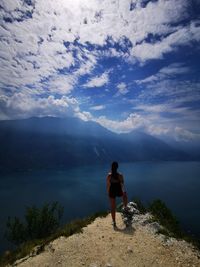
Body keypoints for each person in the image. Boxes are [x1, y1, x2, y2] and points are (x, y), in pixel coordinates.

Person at [106, 161, 128, 227]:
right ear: (117, 167)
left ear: (111, 167)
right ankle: (125, 207)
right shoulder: (120, 175)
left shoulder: (109, 176)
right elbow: (122, 184)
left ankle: (114, 222)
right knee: (125, 195)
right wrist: (123, 192)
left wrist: (108, 192)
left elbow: (108, 185)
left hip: (112, 191)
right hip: (118, 190)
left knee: (112, 207)